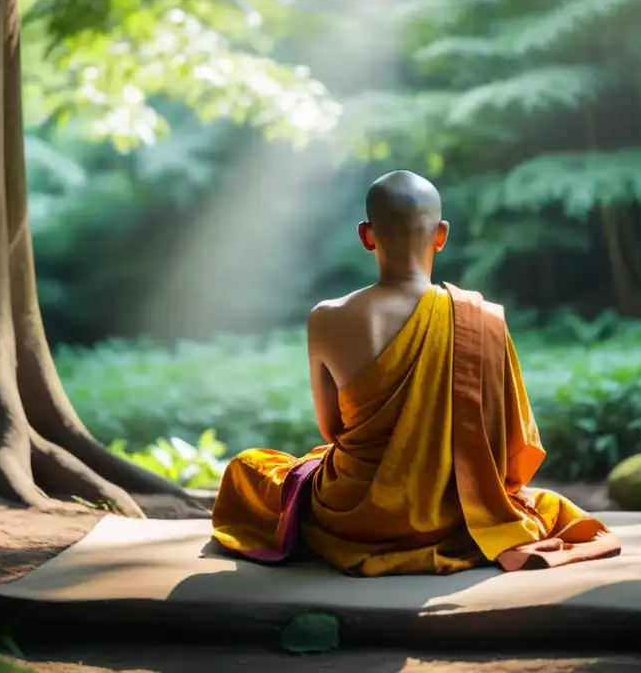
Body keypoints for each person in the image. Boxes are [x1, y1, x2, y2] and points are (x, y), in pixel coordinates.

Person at [211, 170, 619, 575]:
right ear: (441, 235)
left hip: (354, 514)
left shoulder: (327, 318)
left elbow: (331, 429)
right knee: (539, 503)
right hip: (460, 509)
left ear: (366, 235)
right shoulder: (483, 320)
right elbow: (514, 449)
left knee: (250, 469)